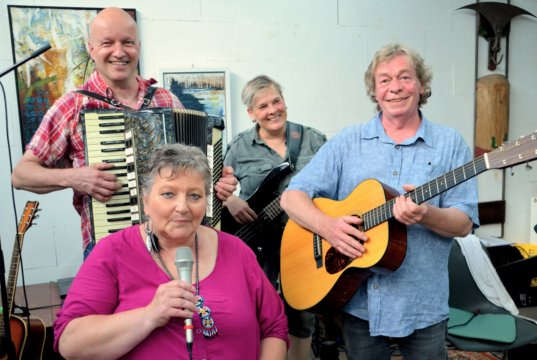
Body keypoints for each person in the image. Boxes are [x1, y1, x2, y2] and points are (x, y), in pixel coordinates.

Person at [280, 43, 479, 360]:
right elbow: (292, 196)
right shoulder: (348, 141)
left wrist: (425, 214)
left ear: (422, 85)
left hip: (423, 306)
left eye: (405, 77)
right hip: (359, 304)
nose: (395, 87)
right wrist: (329, 228)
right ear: (374, 91)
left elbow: (464, 223)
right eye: (384, 80)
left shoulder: (450, 143)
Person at [11, 7, 237, 257]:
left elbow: (193, 172)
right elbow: (21, 175)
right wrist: (75, 178)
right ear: (91, 48)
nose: (118, 52)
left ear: (138, 47)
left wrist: (217, 182)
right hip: (111, 246)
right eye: (107, 42)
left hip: (174, 242)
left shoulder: (167, 100)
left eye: (127, 42)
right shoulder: (72, 105)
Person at [53, 143, 288, 359]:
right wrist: (150, 315)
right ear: (146, 201)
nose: (183, 207)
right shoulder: (112, 252)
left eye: (194, 196)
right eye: (168, 194)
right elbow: (70, 344)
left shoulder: (236, 250)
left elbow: (274, 326)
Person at [223, 75, 327, 360]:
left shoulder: (312, 140)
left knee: (301, 311)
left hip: (304, 237)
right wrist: (230, 200)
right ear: (251, 113)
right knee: (258, 308)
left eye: (276, 101)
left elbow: (335, 183)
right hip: (257, 240)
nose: (272, 110)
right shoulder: (239, 146)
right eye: (263, 106)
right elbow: (213, 187)